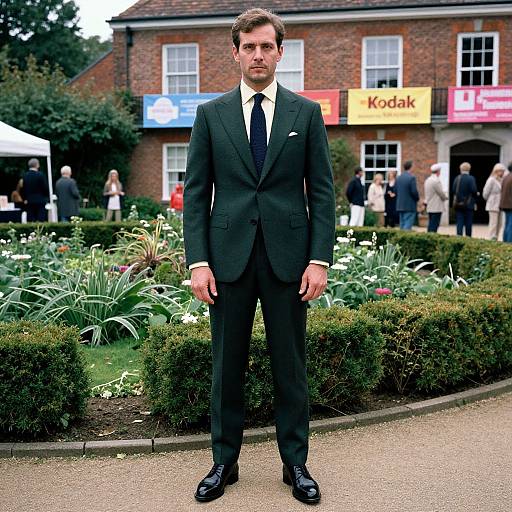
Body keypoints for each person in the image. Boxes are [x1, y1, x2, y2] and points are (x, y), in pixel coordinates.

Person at [184, 8, 335, 505]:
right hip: (226, 261)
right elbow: (196, 192)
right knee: (226, 367)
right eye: (249, 46)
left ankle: (296, 464)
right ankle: (223, 462)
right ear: (235, 52)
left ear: (279, 52)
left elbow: (323, 195)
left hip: (290, 261)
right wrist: (198, 262)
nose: (257, 55)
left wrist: (319, 260)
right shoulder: (210, 115)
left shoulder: (305, 114)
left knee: (290, 365)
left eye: (266, 46)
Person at [452, 162, 478, 237]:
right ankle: (468, 238)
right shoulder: (471, 178)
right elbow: (474, 190)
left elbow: (453, 190)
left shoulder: (457, 178)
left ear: (460, 169)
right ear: (469, 169)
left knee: (459, 222)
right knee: (468, 222)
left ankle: (459, 237)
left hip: (458, 204)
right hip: (469, 204)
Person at [21, 158, 49, 222]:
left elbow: (23, 189)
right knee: (41, 220)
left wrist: (25, 198)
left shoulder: (25, 176)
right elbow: (45, 188)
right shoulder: (41, 175)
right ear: (37, 165)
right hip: (40, 200)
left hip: (29, 200)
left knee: (31, 220)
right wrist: (46, 197)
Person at [483, 163, 506, 241]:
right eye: (501, 171)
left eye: (503, 171)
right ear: (496, 171)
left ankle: (496, 238)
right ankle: (491, 238)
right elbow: (485, 193)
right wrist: (490, 200)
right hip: (493, 204)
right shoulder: (491, 179)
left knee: (500, 224)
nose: (502, 173)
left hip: (500, 204)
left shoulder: (502, 180)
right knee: (493, 224)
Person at [424, 163, 448, 233]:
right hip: (436, 207)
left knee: (431, 224)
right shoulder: (436, 181)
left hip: (430, 205)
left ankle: (429, 237)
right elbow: (441, 193)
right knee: (434, 225)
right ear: (438, 171)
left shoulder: (428, 180)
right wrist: (446, 197)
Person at [395, 160, 419, 230]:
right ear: (411, 167)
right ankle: (404, 240)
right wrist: (417, 198)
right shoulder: (411, 178)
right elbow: (414, 192)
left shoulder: (398, 178)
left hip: (400, 205)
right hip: (409, 205)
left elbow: (395, 191)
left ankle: (400, 240)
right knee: (407, 226)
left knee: (402, 225)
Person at [500, 162, 512, 243]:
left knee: (507, 225)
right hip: (510, 204)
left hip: (505, 204)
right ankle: (509, 243)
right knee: (510, 225)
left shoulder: (506, 177)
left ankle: (505, 241)